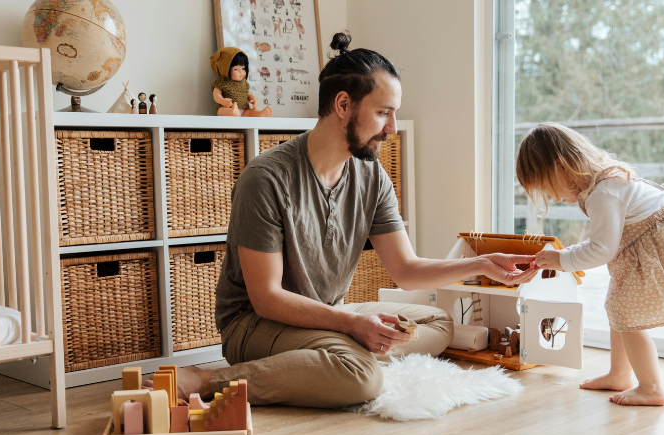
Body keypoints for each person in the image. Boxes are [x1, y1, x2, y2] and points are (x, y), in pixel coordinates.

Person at [146, 32, 539, 408]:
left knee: (436, 324)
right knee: (363, 378)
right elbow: (266, 299)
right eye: (383, 113)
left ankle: (332, 358)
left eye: (394, 114)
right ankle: (208, 381)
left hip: (328, 314)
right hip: (256, 324)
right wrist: (350, 326)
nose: (392, 129)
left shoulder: (371, 176)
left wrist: (483, 264)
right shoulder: (266, 178)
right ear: (343, 105)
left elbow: (405, 270)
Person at [520, 122, 664, 406]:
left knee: (628, 317)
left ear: (561, 167)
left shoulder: (603, 193)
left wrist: (562, 259)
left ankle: (651, 388)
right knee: (618, 307)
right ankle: (620, 374)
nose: (551, 198)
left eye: (546, 188)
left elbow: (601, 249)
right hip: (650, 242)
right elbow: (605, 242)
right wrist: (566, 255)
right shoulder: (602, 183)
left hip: (660, 248)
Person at [210, 47, 273, 117]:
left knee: (251, 112)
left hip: (244, 111)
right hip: (227, 108)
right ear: (224, 70)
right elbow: (216, 95)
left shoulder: (244, 84)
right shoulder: (221, 82)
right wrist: (222, 101)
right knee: (221, 110)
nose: (241, 72)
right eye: (236, 69)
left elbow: (249, 94)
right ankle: (233, 112)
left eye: (243, 68)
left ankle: (260, 114)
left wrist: (253, 99)